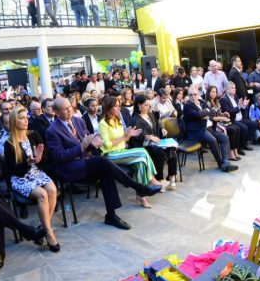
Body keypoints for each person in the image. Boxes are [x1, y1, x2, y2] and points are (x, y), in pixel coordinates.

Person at [45, 98, 161, 230]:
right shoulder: (52, 131)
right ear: (56, 112)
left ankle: (111, 216)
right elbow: (59, 156)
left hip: (85, 161)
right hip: (69, 167)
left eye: (70, 107)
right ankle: (138, 187)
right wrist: (82, 147)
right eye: (65, 109)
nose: (69, 110)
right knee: (102, 161)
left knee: (106, 171)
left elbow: (88, 139)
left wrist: (93, 142)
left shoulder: (78, 121)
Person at [4, 108, 60, 252]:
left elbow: (46, 157)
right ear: (14, 121)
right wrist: (28, 162)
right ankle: (49, 233)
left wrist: (39, 158)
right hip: (21, 178)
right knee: (42, 194)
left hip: (36, 173)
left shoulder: (34, 135)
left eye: (26, 117)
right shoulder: (9, 144)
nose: (26, 120)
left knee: (52, 189)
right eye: (22, 118)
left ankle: (43, 228)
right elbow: (12, 170)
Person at [98, 96, 162, 208]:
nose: (119, 108)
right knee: (142, 152)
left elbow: (124, 141)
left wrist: (128, 135)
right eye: (116, 106)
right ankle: (152, 179)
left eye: (119, 106)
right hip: (110, 155)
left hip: (121, 151)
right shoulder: (103, 124)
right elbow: (107, 145)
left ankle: (141, 197)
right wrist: (124, 136)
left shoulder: (117, 120)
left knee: (140, 163)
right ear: (108, 107)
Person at [183, 85, 237, 173]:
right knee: (212, 140)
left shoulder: (201, 102)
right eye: (190, 95)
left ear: (198, 94)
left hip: (206, 129)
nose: (193, 96)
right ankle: (220, 163)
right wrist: (206, 112)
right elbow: (198, 115)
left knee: (224, 137)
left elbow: (212, 112)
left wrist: (206, 113)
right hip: (196, 132)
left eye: (195, 94)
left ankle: (225, 162)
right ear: (188, 96)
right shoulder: (187, 105)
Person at [131, 94, 178, 190]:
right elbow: (136, 135)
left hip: (156, 142)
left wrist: (162, 129)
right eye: (146, 105)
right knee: (158, 152)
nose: (148, 107)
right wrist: (148, 137)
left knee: (171, 149)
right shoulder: (135, 119)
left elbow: (158, 124)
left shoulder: (150, 114)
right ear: (139, 105)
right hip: (144, 145)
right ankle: (159, 179)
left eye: (149, 105)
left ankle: (172, 177)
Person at [207, 85, 241, 162]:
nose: (214, 93)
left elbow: (218, 113)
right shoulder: (207, 103)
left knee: (237, 128)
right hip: (213, 125)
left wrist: (224, 113)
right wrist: (222, 118)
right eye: (212, 91)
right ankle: (230, 152)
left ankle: (235, 150)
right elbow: (211, 117)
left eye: (215, 92)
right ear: (208, 92)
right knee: (233, 130)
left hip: (219, 122)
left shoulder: (216, 101)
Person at [220, 81, 256, 154]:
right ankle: (239, 148)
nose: (234, 89)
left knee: (254, 124)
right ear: (227, 89)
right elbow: (228, 112)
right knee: (244, 128)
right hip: (232, 120)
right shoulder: (224, 99)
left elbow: (240, 108)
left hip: (240, 118)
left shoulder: (235, 96)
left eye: (235, 88)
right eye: (232, 88)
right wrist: (239, 107)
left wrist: (244, 105)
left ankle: (244, 143)